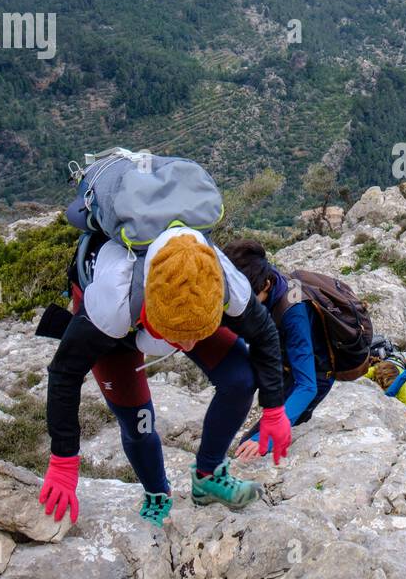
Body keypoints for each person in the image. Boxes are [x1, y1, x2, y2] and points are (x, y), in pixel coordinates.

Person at [38, 219, 292, 529]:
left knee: (240, 379)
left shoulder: (224, 283)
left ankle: (208, 477)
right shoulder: (111, 303)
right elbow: (65, 372)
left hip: (180, 309)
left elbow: (264, 333)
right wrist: (63, 460)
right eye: (178, 336)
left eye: (195, 335)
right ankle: (157, 493)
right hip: (126, 324)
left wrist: (274, 407)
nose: (186, 345)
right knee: (138, 422)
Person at [223, 240, 341, 460]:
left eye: (248, 299)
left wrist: (263, 440)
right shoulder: (261, 276)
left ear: (266, 286)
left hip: (311, 375)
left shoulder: (293, 312)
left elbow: (307, 386)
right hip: (286, 364)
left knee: (255, 447)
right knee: (250, 442)